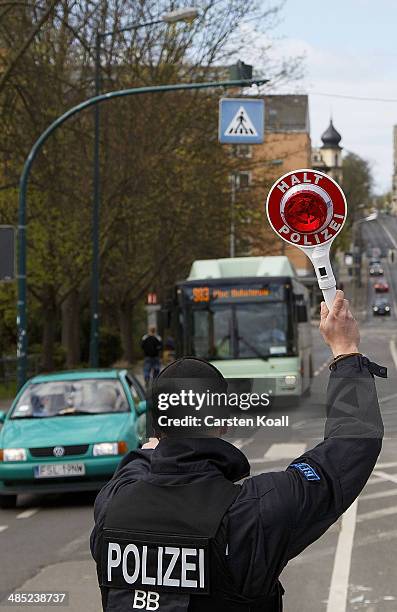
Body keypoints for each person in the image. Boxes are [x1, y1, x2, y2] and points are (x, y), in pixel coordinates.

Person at [91, 290, 385, 611]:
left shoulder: (112, 505)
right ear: (223, 423)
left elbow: (134, 466)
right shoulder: (254, 511)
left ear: (157, 428)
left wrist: (151, 449)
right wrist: (345, 351)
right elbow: (350, 446)